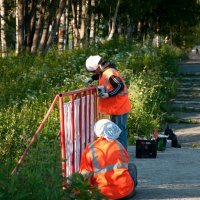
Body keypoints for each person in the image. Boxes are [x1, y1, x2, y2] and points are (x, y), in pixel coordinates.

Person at [79, 119, 137, 200]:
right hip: (125, 193)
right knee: (132, 167)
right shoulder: (118, 145)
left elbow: (84, 175)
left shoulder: (90, 149)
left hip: (101, 195)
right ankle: (128, 187)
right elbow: (125, 163)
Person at [84, 55, 132, 150]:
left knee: (120, 130)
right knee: (115, 129)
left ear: (97, 67)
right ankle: (117, 151)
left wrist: (108, 94)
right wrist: (92, 78)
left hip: (120, 106)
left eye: (93, 71)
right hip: (116, 106)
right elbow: (99, 75)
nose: (94, 73)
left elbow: (119, 86)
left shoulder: (110, 73)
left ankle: (122, 154)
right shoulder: (104, 71)